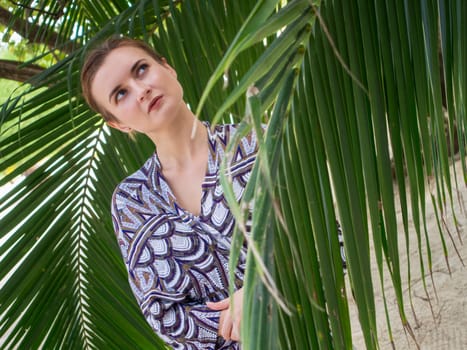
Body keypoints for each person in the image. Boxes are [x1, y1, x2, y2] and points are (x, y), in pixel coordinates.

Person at [80, 36, 259, 349]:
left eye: (141, 70)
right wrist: (235, 321)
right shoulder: (132, 201)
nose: (141, 90)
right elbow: (162, 315)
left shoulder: (255, 145)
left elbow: (329, 237)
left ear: (168, 68)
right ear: (118, 124)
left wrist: (261, 291)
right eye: (120, 94)